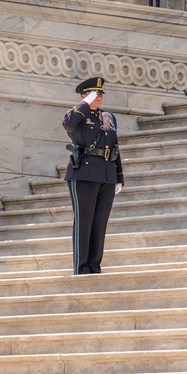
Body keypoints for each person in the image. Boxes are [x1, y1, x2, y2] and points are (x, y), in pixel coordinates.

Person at [63, 76, 123, 275]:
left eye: (100, 94)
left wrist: (119, 177)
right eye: (93, 94)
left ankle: (95, 266)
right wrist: (85, 104)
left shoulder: (108, 117)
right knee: (84, 221)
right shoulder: (77, 115)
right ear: (84, 96)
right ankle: (81, 268)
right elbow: (68, 124)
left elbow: (115, 147)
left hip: (106, 175)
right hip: (84, 174)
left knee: (100, 223)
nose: (98, 98)